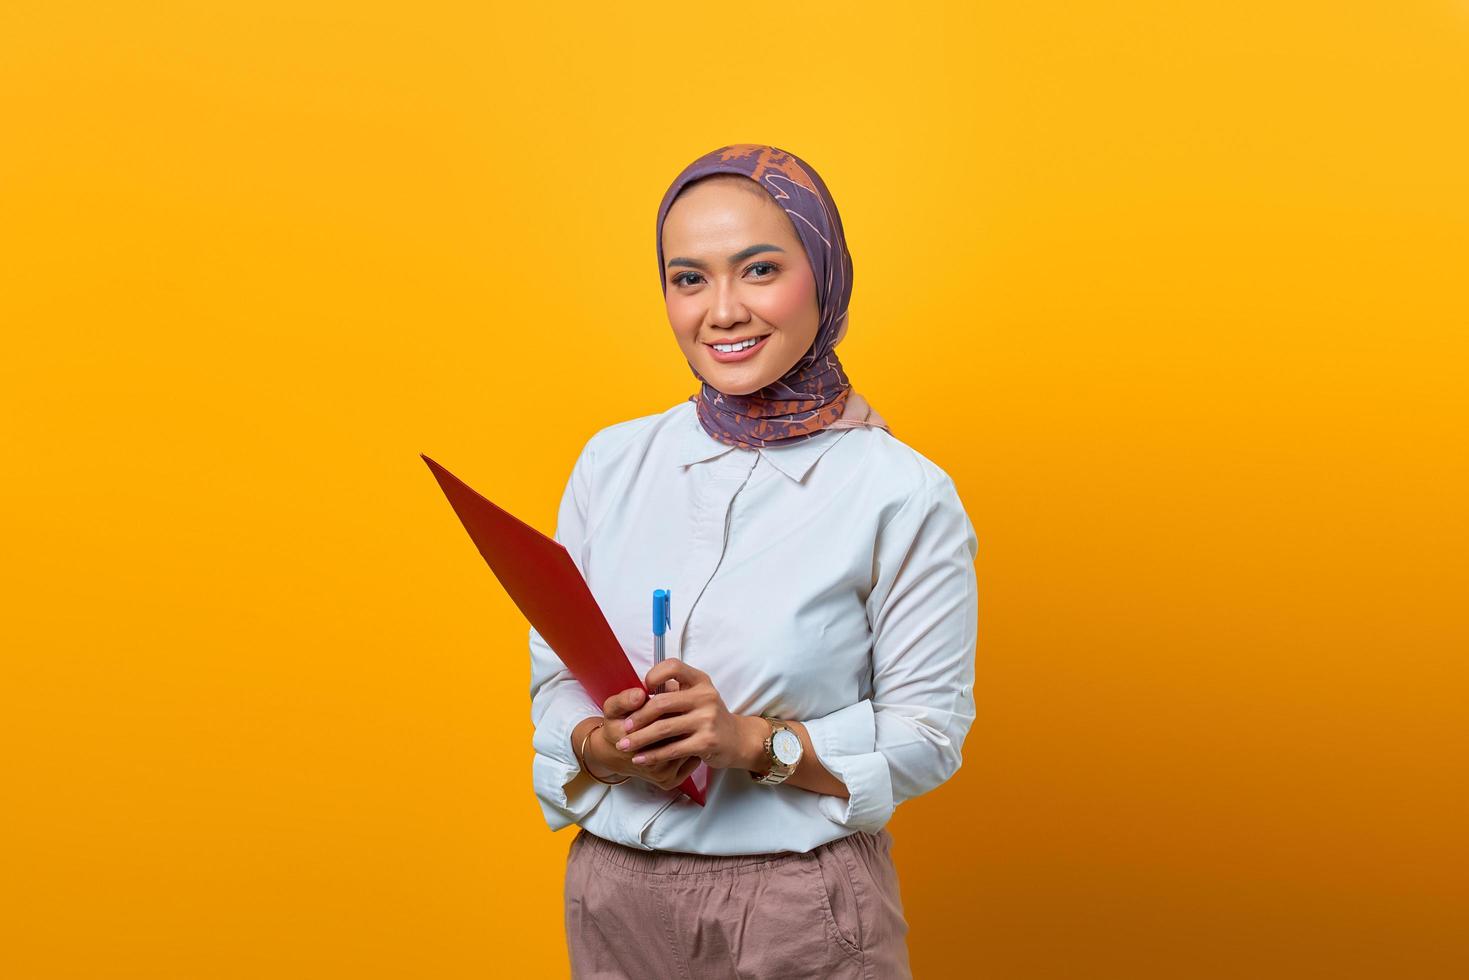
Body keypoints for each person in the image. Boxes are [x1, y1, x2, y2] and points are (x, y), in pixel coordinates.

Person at [528, 143, 979, 979]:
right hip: (610, 892)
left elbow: (928, 735)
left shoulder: (902, 493)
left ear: (825, 274)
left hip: (795, 908)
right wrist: (601, 745)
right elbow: (555, 676)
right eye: (688, 278)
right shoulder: (610, 463)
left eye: (760, 269)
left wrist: (749, 743)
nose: (722, 311)